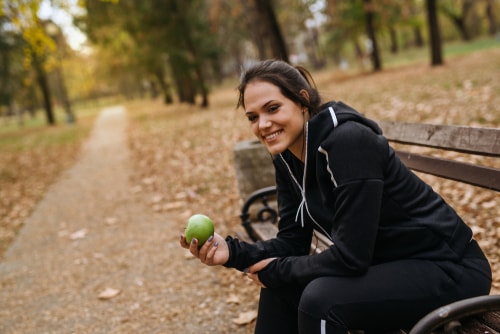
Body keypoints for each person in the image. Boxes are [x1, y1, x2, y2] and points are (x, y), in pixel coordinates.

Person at [179, 59, 492, 334]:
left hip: (450, 269)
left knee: (320, 300)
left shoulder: (348, 142)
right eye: (252, 117)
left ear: (302, 101)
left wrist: (277, 270)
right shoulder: (287, 155)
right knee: (282, 289)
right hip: (391, 264)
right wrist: (232, 253)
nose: (263, 125)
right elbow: (294, 241)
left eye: (273, 109)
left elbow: (351, 257)